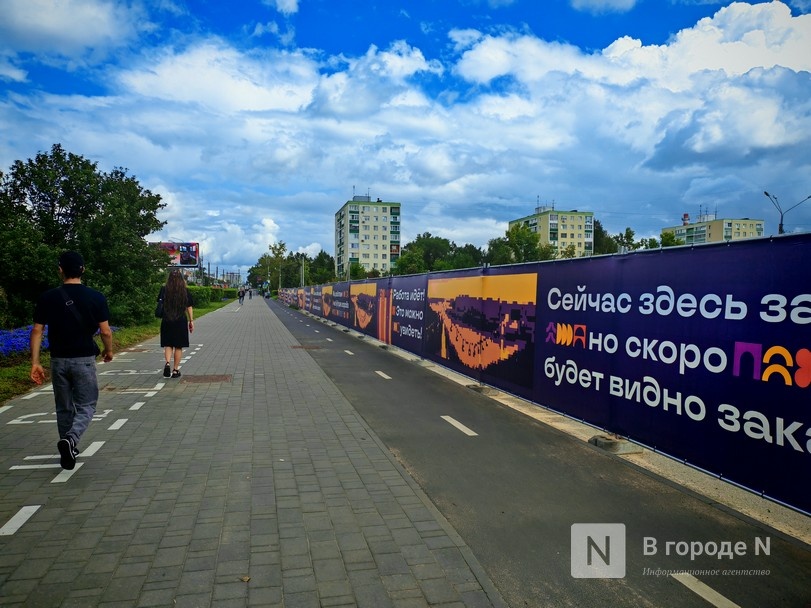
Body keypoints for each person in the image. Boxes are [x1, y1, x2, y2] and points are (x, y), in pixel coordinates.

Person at [30, 251, 114, 470]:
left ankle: (68, 450)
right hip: (84, 359)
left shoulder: (47, 297)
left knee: (64, 407)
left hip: (58, 360)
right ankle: (71, 440)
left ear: (60, 270)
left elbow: (37, 331)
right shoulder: (96, 297)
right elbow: (105, 331)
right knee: (86, 405)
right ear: (83, 269)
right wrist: (109, 352)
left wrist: (35, 362)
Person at [158, 269, 194, 378]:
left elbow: (160, 303)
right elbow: (189, 306)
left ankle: (168, 363)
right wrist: (191, 321)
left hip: (167, 320)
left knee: (168, 344)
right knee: (178, 346)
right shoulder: (184, 290)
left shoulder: (164, 289)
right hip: (180, 320)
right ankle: (175, 370)